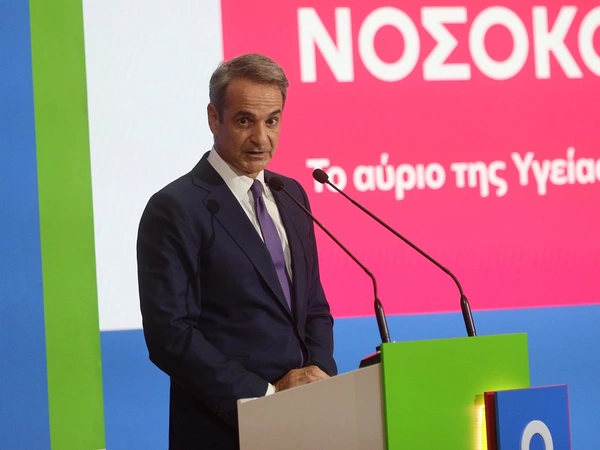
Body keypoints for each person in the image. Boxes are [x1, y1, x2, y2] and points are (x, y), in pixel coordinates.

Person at [137, 53, 337, 449]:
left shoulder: (291, 194)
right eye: (245, 121)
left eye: (272, 121)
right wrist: (267, 397)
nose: (261, 138)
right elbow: (170, 335)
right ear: (215, 119)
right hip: (225, 428)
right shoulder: (175, 208)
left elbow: (313, 306)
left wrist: (318, 376)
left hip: (305, 423)